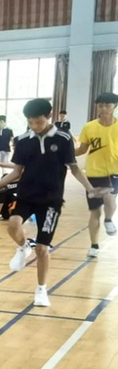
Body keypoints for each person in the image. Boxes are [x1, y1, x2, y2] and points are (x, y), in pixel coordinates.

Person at [0, 99, 107, 308]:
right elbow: (17, 172)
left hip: (51, 200)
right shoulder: (22, 140)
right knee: (12, 225)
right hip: (26, 195)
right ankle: (24, 247)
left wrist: (90, 188)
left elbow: (74, 168)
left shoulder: (63, 139)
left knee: (42, 249)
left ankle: (41, 289)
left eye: (39, 122)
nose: (35, 126)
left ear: (49, 117)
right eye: (30, 122)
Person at [76, 92, 118, 257]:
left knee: (109, 196)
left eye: (108, 105)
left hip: (115, 171)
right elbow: (82, 149)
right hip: (94, 172)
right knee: (95, 212)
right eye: (101, 105)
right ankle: (94, 245)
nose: (104, 108)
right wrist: (64, 154)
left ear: (114, 107)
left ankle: (108, 220)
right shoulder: (89, 127)